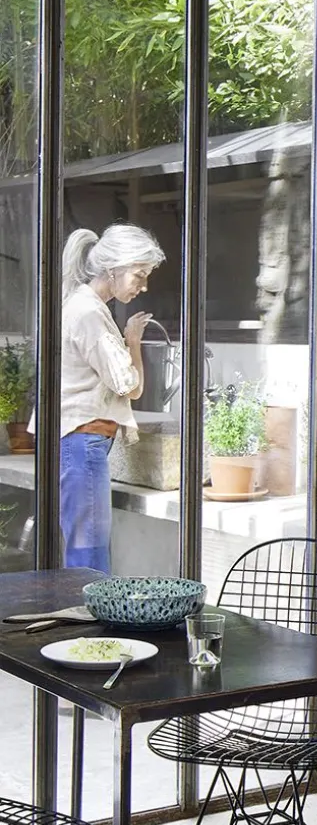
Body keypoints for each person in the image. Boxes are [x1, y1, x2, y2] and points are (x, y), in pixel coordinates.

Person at [59, 224, 164, 571]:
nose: (143, 286)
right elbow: (129, 386)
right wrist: (132, 340)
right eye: (139, 275)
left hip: (81, 441)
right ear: (113, 268)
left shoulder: (85, 306)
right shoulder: (90, 313)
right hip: (84, 442)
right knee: (89, 557)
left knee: (85, 549)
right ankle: (86, 610)